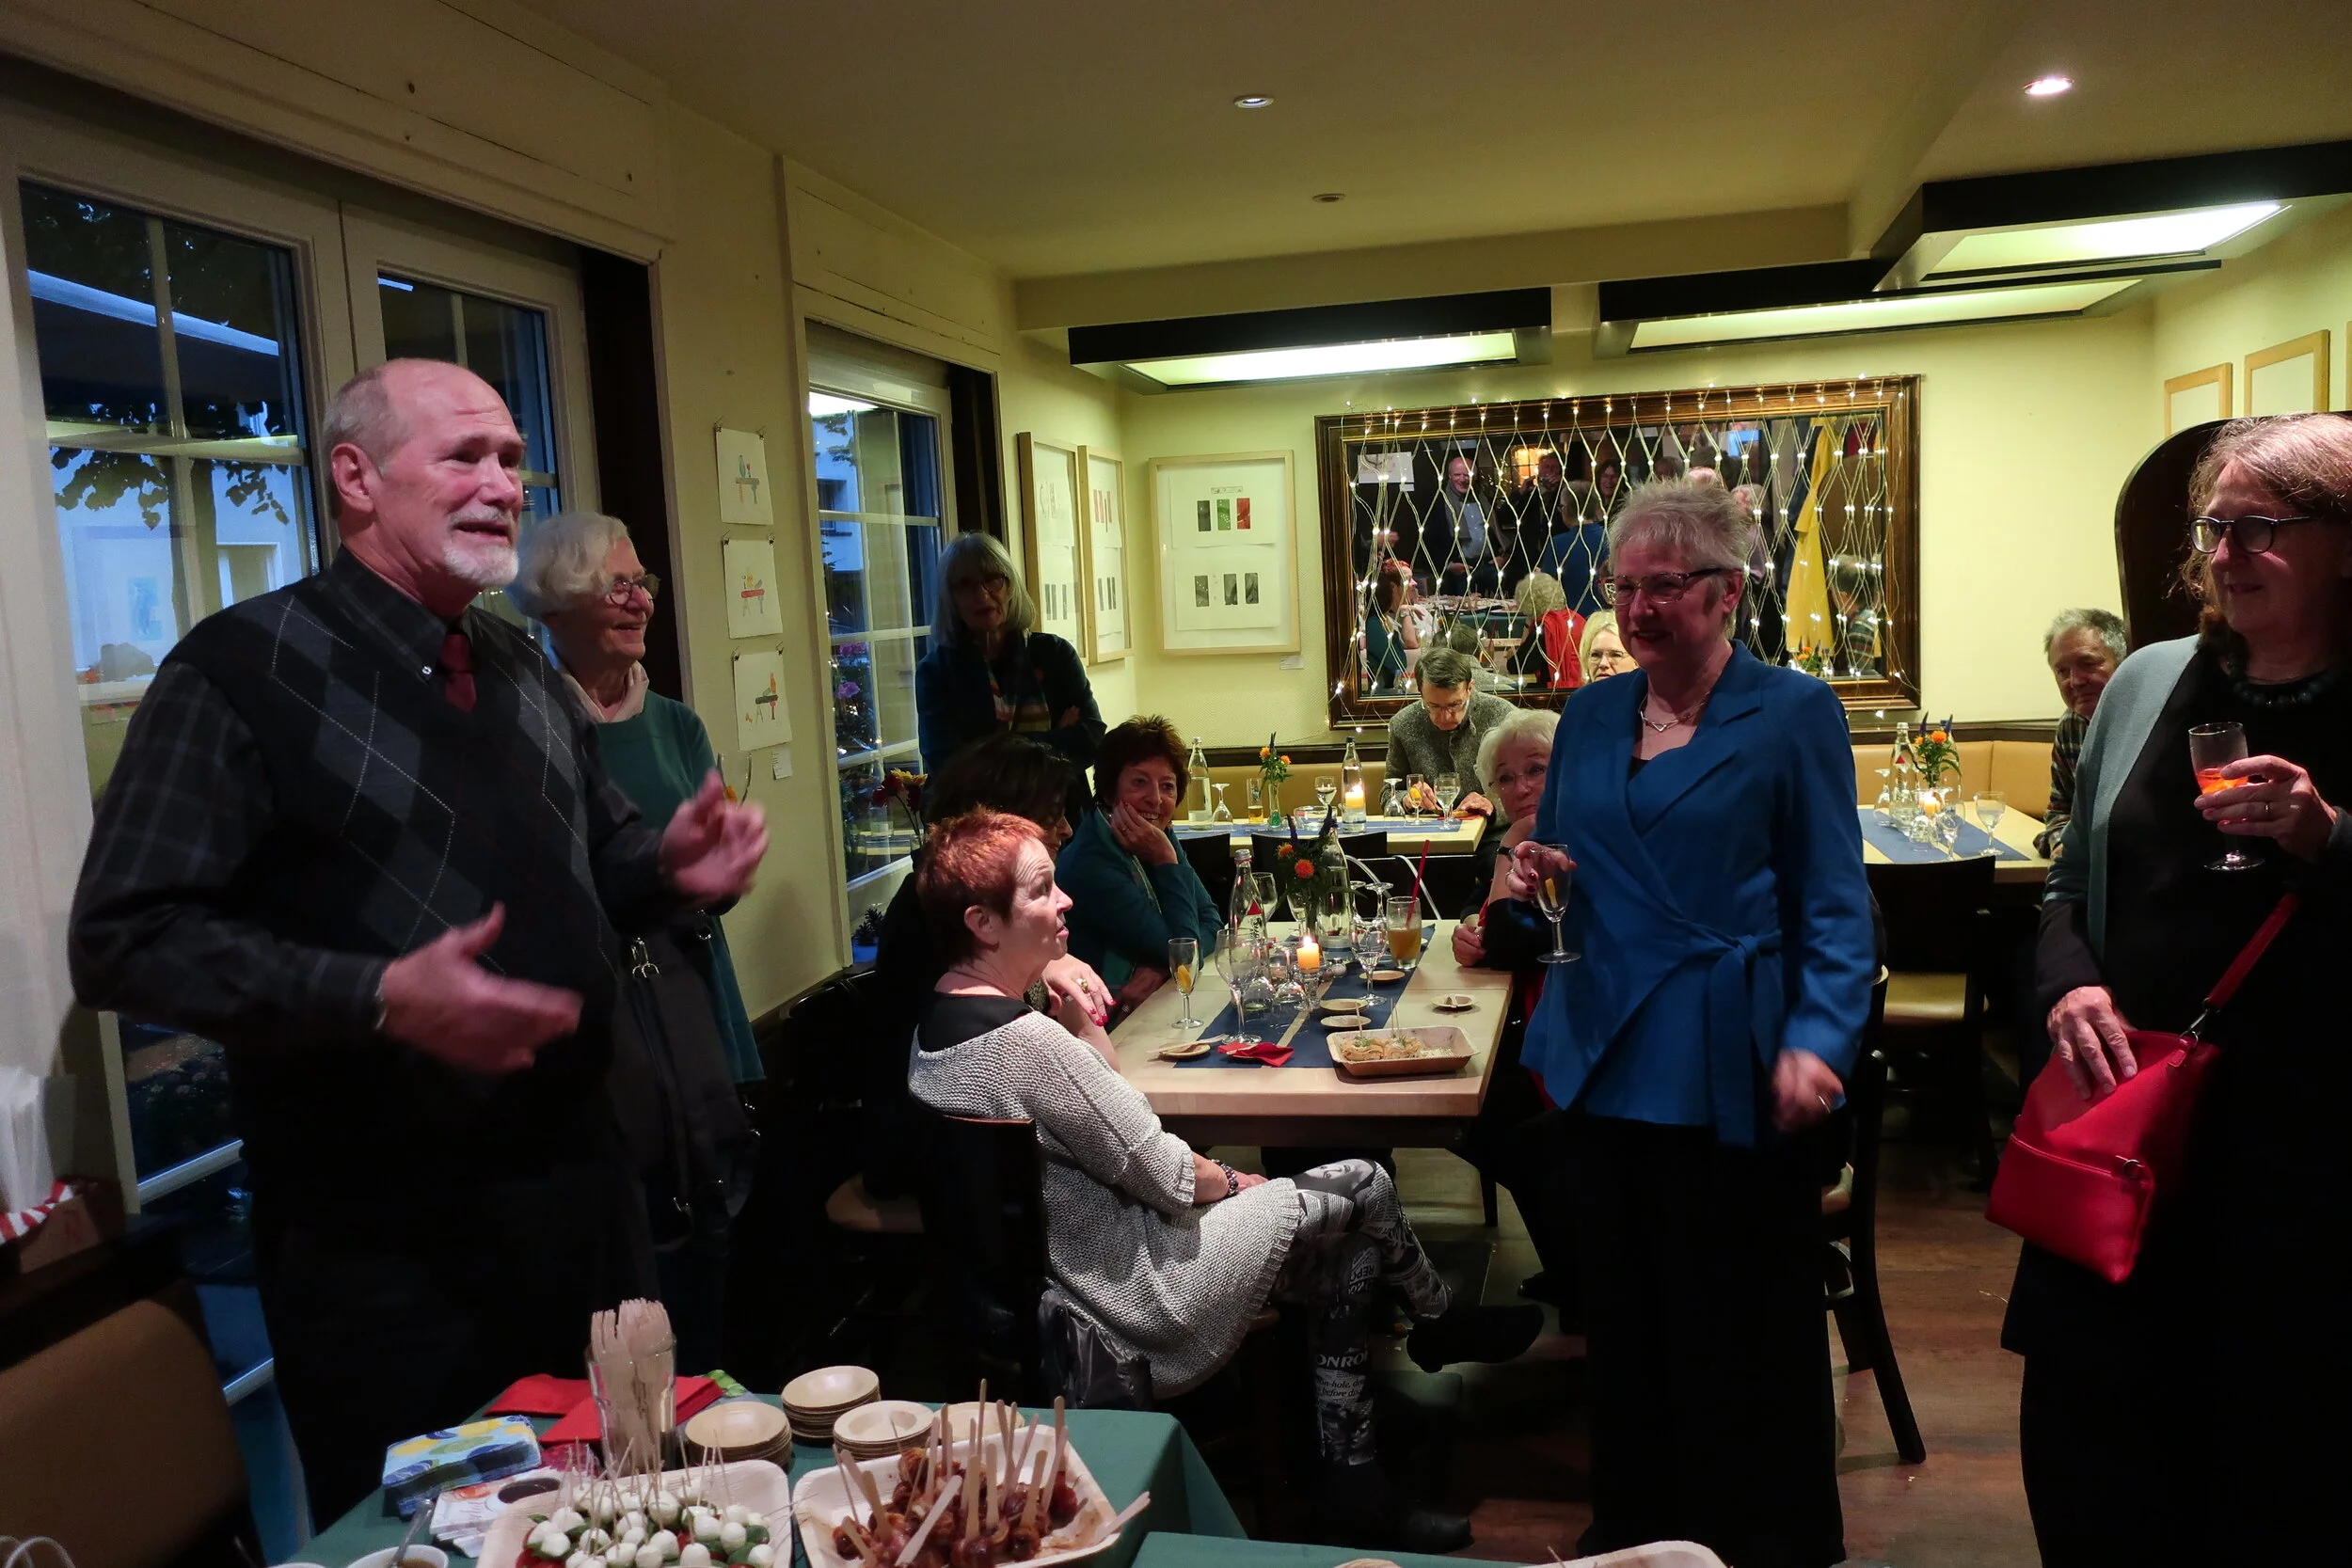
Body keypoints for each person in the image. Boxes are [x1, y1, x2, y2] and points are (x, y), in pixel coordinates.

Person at [67, 359, 769, 1519]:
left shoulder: (515, 665)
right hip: (387, 1246)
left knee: (626, 1514)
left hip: (586, 1207)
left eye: (509, 459)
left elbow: (604, 858)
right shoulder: (239, 670)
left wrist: (673, 869)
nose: (502, 483)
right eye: (464, 456)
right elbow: (125, 938)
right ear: (356, 475)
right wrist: (379, 995)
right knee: (437, 1541)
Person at [906, 809, 1543, 1551]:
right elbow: (1170, 1170)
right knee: (1363, 1179)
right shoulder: (1027, 1046)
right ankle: (1439, 1319)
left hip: (1063, 1290)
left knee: (1352, 1257)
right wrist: (1240, 1182)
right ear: (984, 922)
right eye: (1044, 888)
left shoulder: (934, 1030)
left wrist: (1071, 1012)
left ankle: (1353, 1484)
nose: (1066, 898)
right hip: (1137, 1293)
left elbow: (1116, 1134)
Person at [1499, 479, 1872, 1566]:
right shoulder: (1589, 711)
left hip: (1730, 1053)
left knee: (1741, 1319)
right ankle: (1639, 1529)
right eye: (1625, 587)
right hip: (1602, 1042)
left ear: (1726, 592)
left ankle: (1764, 1536)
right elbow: (1553, 853)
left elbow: (1834, 904)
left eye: (1665, 587)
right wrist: (1531, 868)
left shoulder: (1792, 712)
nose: (1639, 608)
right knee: (1625, 1316)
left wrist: (1818, 1039)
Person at [2009, 414, 2352, 1563]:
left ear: (2343, 545)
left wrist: (2328, 833)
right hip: (2126, 1128)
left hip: (2298, 1162)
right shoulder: (2152, 679)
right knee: (2089, 1443)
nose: (2225, 551)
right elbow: (2065, 877)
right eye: (2214, 526)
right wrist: (2068, 990)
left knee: (2270, 1456)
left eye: (2261, 527)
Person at [513, 511, 762, 1371]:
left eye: (641, 582)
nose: (638, 600)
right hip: (606, 1024)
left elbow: (702, 881)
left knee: (712, 1239)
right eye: (616, 584)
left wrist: (719, 873)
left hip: (688, 999)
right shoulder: (528, 723)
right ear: (557, 602)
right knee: (630, 1273)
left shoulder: (677, 724)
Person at [866, 734, 1115, 1196]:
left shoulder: (972, 913)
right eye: (1050, 815)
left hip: (989, 1154)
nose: (1066, 829)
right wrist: (1043, 965)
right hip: (948, 1169)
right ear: (999, 821)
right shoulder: (933, 918)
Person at [1447, 708, 1577, 1307]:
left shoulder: (1571, 844)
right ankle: (1573, 1262)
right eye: (1505, 777)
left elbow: (1511, 934)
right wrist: (1465, 936)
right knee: (1476, 1114)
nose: (1521, 787)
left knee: (1478, 1116)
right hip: (1539, 1024)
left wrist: (1505, 853)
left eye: (1537, 770)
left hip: (1576, 1042)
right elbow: (1487, 922)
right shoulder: (1525, 842)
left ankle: (1586, 1276)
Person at [1056, 717, 1223, 1013]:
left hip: (1152, 1008)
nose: (1155, 799)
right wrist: (1165, 861)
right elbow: (1186, 955)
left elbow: (1211, 922)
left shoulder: (1157, 837)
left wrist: (1162, 965)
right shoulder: (1092, 860)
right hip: (1105, 1024)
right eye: (1139, 782)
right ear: (1109, 791)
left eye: (1167, 786)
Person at [915, 531, 1104, 774]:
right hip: (977, 810)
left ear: (1011, 587)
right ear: (951, 598)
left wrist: (990, 750)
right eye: (966, 585)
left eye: (993, 580)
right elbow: (949, 766)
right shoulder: (936, 672)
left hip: (1060, 807)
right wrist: (1052, 738)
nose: (982, 595)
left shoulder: (1055, 654)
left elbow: (1091, 740)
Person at [2034, 606, 2127, 857]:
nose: (2075, 681)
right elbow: (2059, 810)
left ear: (2125, 662)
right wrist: (2059, 843)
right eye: (2062, 671)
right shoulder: (2071, 725)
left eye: (2087, 664)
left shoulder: (2155, 718)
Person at [1385, 647, 1511, 819]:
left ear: (1470, 689)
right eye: (1433, 706)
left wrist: (1493, 805)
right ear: (1420, 693)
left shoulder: (1502, 716)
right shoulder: (1403, 724)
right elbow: (1388, 794)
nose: (1444, 717)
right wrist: (1407, 799)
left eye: (1454, 705)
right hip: (1430, 835)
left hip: (1492, 836)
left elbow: (1531, 791)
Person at [1512, 570, 1583, 690]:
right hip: (1583, 686)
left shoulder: (1544, 628)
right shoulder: (1577, 619)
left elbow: (1517, 666)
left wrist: (1512, 655)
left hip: (1554, 694)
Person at [1428, 453, 1489, 594]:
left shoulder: (1483, 498)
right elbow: (1431, 539)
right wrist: (1449, 566)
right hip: (1459, 569)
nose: (1463, 479)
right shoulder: (1439, 502)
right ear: (1449, 476)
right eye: (1457, 475)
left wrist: (1500, 556)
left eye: (1467, 475)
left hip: (1488, 565)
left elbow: (1495, 528)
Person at [1579, 609, 1636, 682]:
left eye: (1615, 655)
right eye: (1595, 655)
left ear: (1637, 662)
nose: (1603, 663)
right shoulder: (1580, 694)